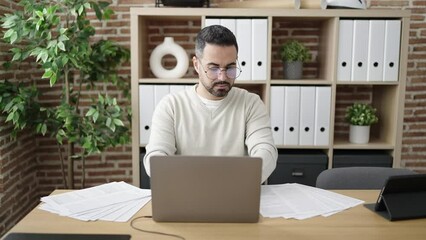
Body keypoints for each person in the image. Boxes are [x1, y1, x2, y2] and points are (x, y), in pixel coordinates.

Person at [143, 25, 277, 183]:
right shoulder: (171, 106)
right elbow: (155, 158)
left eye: (230, 68)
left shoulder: (251, 103)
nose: (222, 77)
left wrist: (235, 181)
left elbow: (266, 152)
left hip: (238, 193)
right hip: (186, 195)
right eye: (213, 68)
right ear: (196, 65)